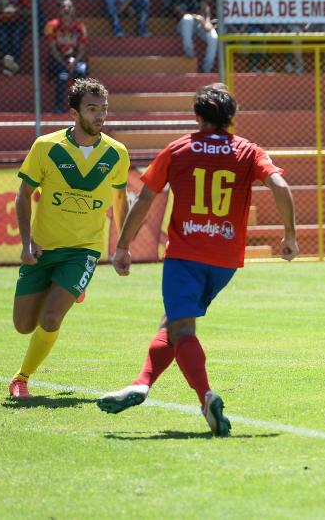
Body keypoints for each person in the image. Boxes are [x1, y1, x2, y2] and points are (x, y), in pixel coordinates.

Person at [96, 84, 299, 436]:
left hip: (185, 255)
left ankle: (205, 398)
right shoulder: (247, 151)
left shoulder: (179, 149)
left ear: (198, 117)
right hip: (224, 262)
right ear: (232, 118)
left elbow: (144, 200)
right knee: (172, 323)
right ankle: (141, 383)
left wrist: (123, 245)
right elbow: (281, 187)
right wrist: (290, 236)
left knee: (182, 328)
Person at [8, 78, 129, 399]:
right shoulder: (46, 146)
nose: (100, 115)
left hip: (84, 250)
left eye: (103, 109)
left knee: (50, 318)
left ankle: (22, 378)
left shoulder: (116, 153)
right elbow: (23, 196)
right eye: (92, 109)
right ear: (74, 112)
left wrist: (123, 245)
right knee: (23, 324)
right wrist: (25, 243)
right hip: (43, 247)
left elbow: (120, 199)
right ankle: (69, 288)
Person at [167, 0, 217, 73]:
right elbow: (182, 13)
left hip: (199, 24)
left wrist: (207, 21)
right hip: (183, 26)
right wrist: (199, 18)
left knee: (213, 37)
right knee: (187, 18)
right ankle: (189, 52)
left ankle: (207, 69)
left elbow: (206, 7)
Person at [45, 0, 88, 113]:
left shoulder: (80, 27)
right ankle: (59, 107)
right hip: (58, 60)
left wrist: (74, 62)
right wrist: (65, 64)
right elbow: (53, 49)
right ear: (59, 10)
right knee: (62, 76)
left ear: (73, 10)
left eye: (69, 7)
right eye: (64, 7)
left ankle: (78, 107)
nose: (66, 9)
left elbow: (82, 49)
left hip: (75, 60)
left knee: (82, 73)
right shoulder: (52, 26)